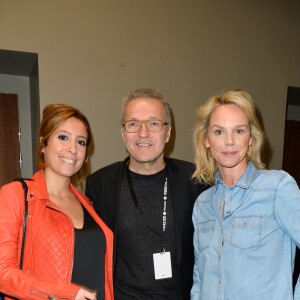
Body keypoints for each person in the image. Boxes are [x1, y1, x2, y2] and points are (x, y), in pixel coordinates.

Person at [85, 88, 207, 299]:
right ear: (123, 133)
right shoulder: (100, 184)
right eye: (133, 124)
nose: (143, 133)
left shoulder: (195, 180)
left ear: (168, 132)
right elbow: (91, 254)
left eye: (153, 123)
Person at [191, 88, 300, 300]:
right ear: (206, 140)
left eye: (239, 131)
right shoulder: (202, 204)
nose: (229, 141)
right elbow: (200, 278)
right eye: (219, 131)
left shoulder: (277, 188)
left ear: (251, 138)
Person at [0, 104, 114, 300]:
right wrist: (64, 293)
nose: (72, 149)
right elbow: (3, 273)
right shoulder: (15, 194)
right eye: (63, 137)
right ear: (43, 144)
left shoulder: (88, 204)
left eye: (81, 142)